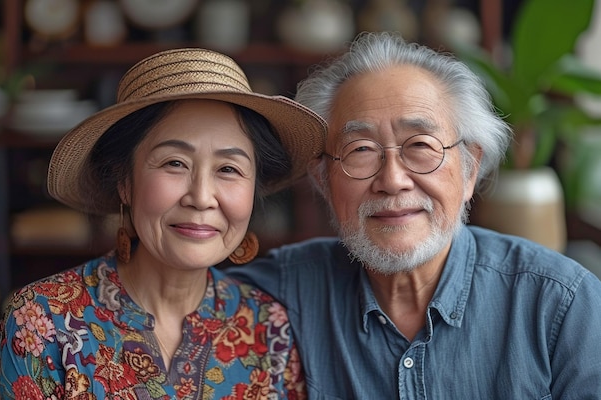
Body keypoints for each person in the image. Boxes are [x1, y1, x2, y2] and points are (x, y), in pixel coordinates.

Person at [226, 31, 601, 398]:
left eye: (420, 145)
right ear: (323, 180)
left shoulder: (561, 305)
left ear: (470, 168)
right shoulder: (282, 294)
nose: (392, 180)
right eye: (361, 150)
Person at [0, 48, 326, 399]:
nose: (201, 197)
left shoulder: (268, 329)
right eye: (174, 163)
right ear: (125, 182)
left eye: (228, 169)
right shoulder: (42, 320)